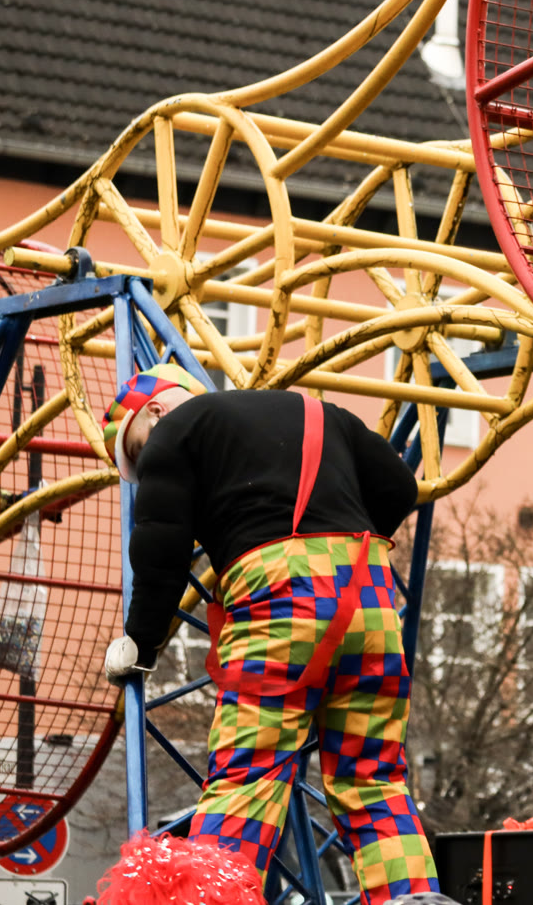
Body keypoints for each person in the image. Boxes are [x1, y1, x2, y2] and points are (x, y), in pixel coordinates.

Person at [99, 364, 440, 902]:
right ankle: (413, 897)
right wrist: (334, 538)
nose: (144, 469)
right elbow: (398, 488)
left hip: (279, 603)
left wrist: (141, 641)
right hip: (368, 598)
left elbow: (161, 549)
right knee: (373, 781)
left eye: (138, 452)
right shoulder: (319, 412)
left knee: (247, 780)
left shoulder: (175, 429)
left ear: (156, 411)